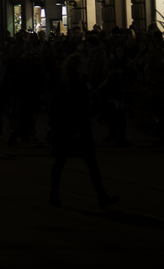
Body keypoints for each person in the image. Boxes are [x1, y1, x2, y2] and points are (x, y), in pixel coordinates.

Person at [48, 53, 117, 210]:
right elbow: (71, 108)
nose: (86, 64)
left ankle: (100, 196)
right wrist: (74, 129)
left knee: (70, 162)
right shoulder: (72, 84)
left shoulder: (77, 82)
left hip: (75, 129)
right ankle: (55, 194)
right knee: (65, 161)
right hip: (72, 129)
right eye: (83, 62)